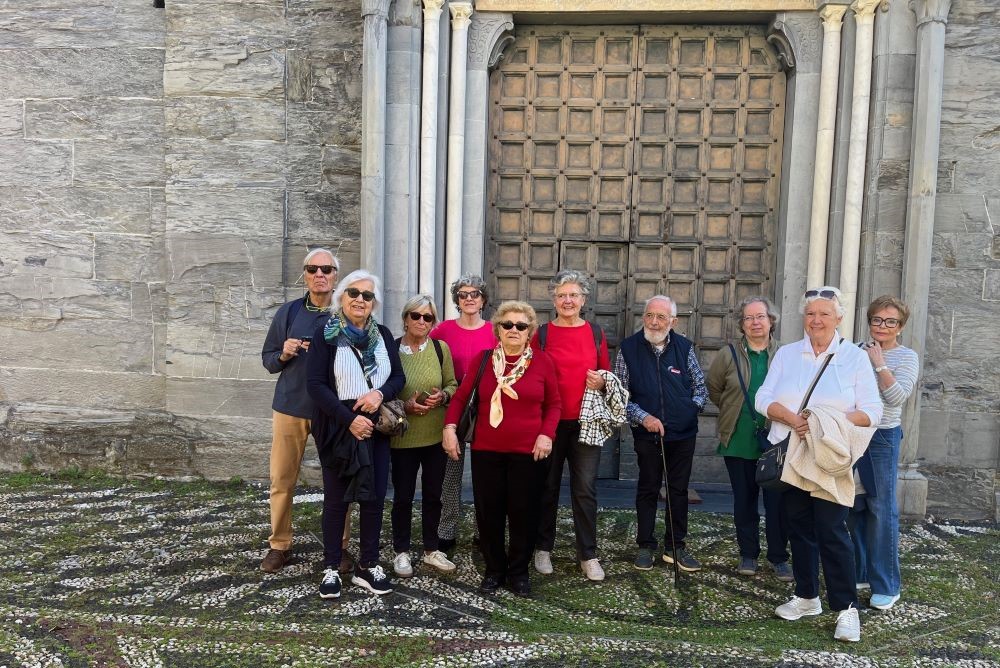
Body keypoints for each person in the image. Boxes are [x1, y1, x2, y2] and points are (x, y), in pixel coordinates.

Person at [755, 286, 882, 643]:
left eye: (825, 313)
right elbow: (763, 397)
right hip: (793, 455)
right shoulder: (788, 354)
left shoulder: (853, 358)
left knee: (832, 530)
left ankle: (846, 608)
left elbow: (873, 412)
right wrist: (792, 418)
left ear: (839, 318)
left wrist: (825, 420)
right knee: (799, 526)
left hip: (828, 458)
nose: (817, 320)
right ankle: (807, 596)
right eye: (811, 313)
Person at [442, 301, 561, 597]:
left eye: (521, 326)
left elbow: (554, 404)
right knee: (489, 513)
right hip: (487, 450)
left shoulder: (543, 362)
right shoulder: (483, 360)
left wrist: (547, 435)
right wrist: (449, 429)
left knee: (524, 514)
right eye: (507, 325)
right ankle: (494, 570)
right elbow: (460, 399)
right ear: (498, 329)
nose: (513, 330)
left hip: (528, 452)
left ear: (530, 331)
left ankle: (519, 572)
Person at [307, 270, 405, 599]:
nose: (360, 299)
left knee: (374, 497)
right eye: (353, 293)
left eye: (367, 295)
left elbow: (398, 378)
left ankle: (368, 565)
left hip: (375, 425)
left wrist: (379, 395)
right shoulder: (326, 334)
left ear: (374, 303)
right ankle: (332, 567)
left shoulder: (385, 335)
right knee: (337, 499)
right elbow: (316, 385)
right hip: (339, 425)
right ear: (341, 298)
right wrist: (349, 419)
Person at [259, 248, 353, 574]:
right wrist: (284, 353)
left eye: (326, 269)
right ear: (305, 273)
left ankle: (339, 546)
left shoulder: (347, 314)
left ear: (335, 275)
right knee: (281, 479)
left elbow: (362, 359)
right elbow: (268, 360)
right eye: (313, 269)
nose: (320, 274)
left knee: (339, 480)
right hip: (290, 407)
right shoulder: (288, 313)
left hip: (334, 410)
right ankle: (279, 545)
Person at [614, 295, 708, 573]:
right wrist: (644, 418)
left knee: (678, 491)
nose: (654, 322)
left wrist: (690, 410)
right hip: (648, 434)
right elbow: (619, 395)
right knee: (648, 488)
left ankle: (675, 546)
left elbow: (700, 388)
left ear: (673, 321)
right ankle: (645, 545)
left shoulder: (684, 347)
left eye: (661, 317)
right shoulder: (629, 348)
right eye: (650, 315)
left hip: (683, 434)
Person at [531, 270, 611, 582]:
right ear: (554, 300)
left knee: (585, 490)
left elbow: (606, 374)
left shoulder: (595, 333)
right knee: (547, 487)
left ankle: (588, 555)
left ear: (583, 300)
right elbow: (533, 373)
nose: (568, 300)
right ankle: (542, 547)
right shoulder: (542, 334)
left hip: (586, 423)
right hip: (550, 424)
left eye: (574, 295)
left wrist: (602, 381)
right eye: (562, 295)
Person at [707, 296, 791, 581]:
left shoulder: (786, 354)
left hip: (777, 441)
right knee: (744, 501)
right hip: (739, 439)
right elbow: (715, 389)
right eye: (749, 318)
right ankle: (748, 554)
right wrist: (735, 411)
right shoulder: (728, 354)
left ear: (771, 321)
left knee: (778, 504)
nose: (755, 322)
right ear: (741, 324)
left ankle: (779, 557)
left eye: (760, 317)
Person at [849, 296, 918, 611]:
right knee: (853, 504)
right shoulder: (852, 351)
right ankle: (860, 572)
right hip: (852, 433)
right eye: (877, 320)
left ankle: (887, 584)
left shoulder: (906, 357)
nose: (882, 326)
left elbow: (896, 397)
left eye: (890, 321)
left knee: (881, 509)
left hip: (882, 437)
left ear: (900, 327)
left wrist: (878, 363)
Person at [390, 295, 459, 578]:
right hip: (403, 438)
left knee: (434, 495)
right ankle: (401, 551)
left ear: (433, 322)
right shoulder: (390, 349)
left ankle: (431, 549)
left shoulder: (441, 349)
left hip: (433, 436)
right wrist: (405, 406)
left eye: (427, 317)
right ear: (405, 318)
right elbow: (383, 388)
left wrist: (443, 396)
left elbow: (453, 384)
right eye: (415, 316)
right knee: (403, 496)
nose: (421, 321)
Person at [430, 275, 497, 552]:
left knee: (487, 476)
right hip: (452, 408)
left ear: (483, 299)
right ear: (456, 300)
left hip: (488, 409)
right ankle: (446, 531)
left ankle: (487, 530)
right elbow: (426, 359)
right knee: (450, 473)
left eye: (475, 294)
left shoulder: (496, 331)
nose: (469, 298)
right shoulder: (442, 330)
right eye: (462, 294)